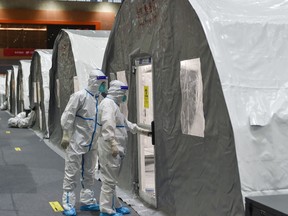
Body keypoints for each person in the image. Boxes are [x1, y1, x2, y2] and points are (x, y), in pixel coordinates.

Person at [97, 80, 150, 216]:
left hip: (115, 149)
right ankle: (106, 210)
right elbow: (108, 125)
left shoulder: (114, 105)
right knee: (109, 181)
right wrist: (113, 144)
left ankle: (114, 204)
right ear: (118, 92)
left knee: (112, 179)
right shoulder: (108, 105)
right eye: (123, 93)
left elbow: (125, 124)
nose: (124, 96)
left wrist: (142, 130)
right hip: (110, 149)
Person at [60, 69, 108, 216]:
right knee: (71, 171)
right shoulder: (79, 96)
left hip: (92, 144)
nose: (103, 86)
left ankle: (87, 201)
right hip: (76, 142)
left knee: (90, 172)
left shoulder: (99, 98)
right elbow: (67, 116)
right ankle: (68, 204)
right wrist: (66, 135)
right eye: (101, 83)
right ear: (94, 81)